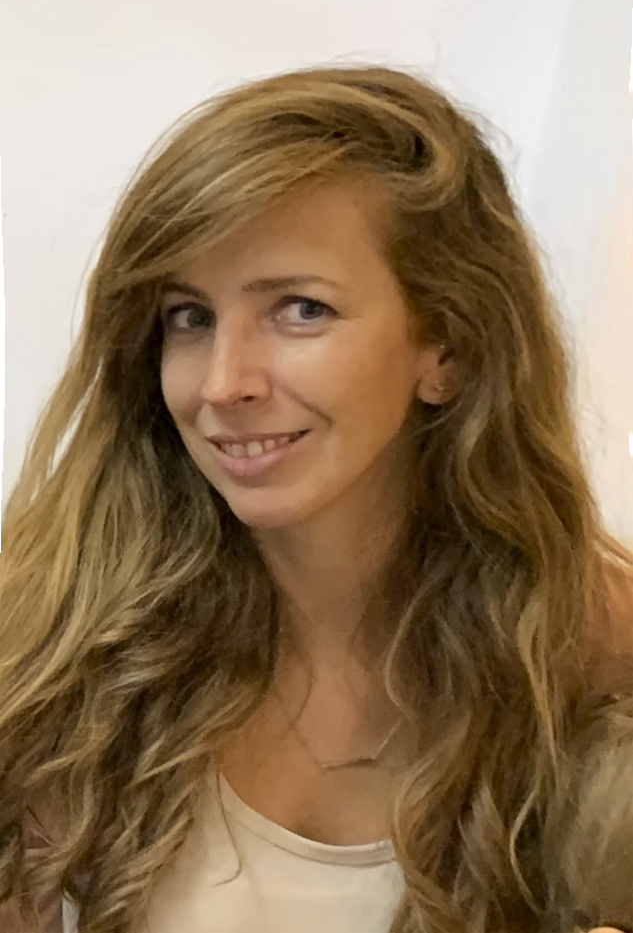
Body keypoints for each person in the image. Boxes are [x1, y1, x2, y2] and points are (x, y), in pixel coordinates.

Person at [0, 62, 631, 933]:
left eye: (299, 309)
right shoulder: (52, 637)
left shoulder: (592, 645)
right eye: (190, 316)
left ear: (446, 347)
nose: (223, 383)